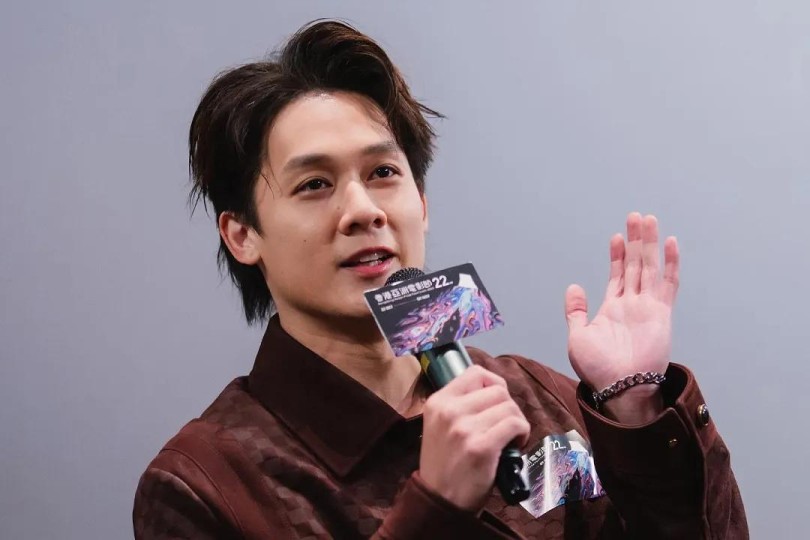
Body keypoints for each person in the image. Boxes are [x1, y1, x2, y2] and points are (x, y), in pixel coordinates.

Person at [133, 20, 747, 539]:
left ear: (422, 205)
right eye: (315, 184)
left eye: (383, 173)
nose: (363, 211)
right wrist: (437, 504)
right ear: (242, 234)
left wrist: (636, 409)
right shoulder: (204, 481)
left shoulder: (535, 397)